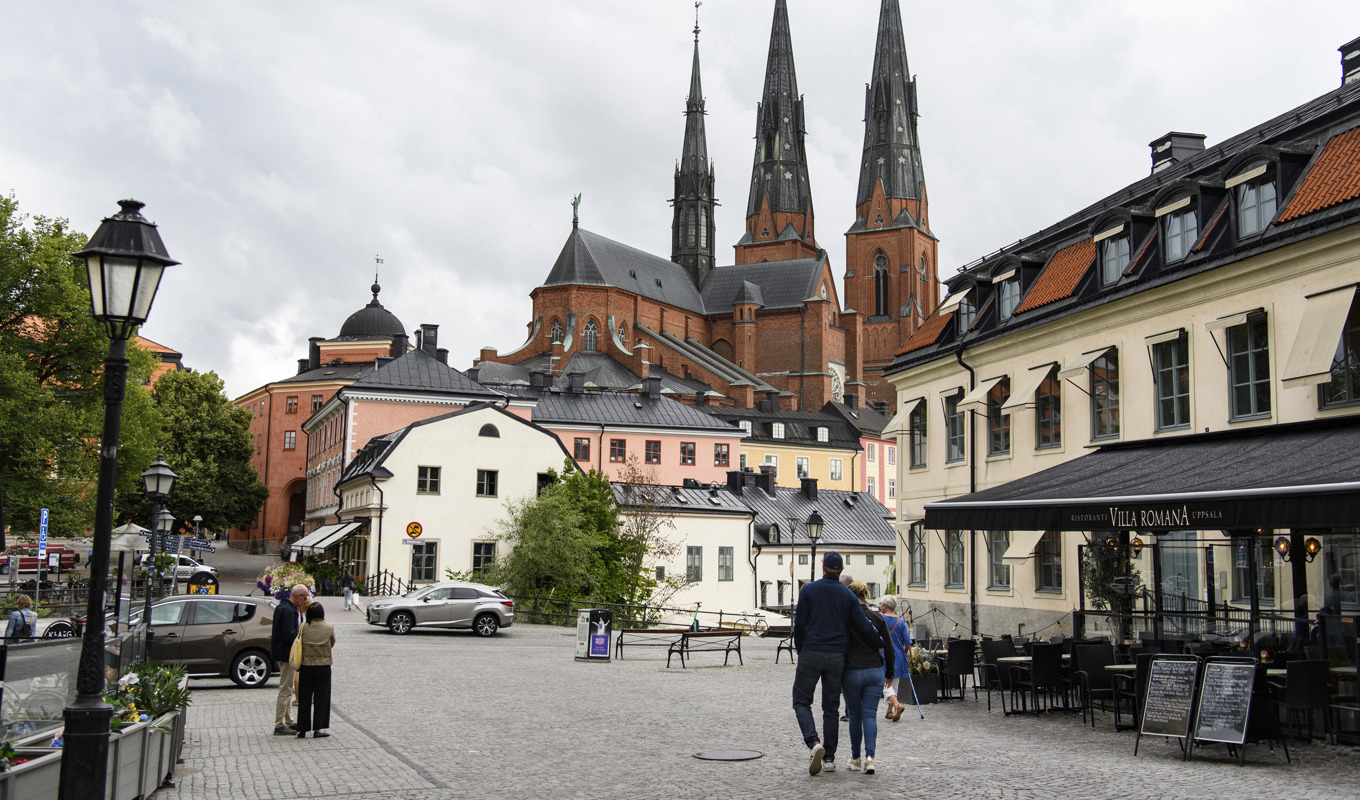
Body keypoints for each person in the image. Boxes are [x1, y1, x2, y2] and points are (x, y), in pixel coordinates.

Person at [792, 551, 882, 776]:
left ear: (823, 568)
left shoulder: (808, 590)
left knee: (801, 701)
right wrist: (879, 642)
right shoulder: (848, 595)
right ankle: (830, 759)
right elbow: (863, 625)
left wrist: (801, 648)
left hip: (811, 651)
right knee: (831, 708)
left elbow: (799, 624)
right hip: (836, 656)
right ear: (841, 570)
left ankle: (814, 743)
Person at [843, 581, 893, 774]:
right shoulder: (877, 617)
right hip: (874, 670)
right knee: (870, 715)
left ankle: (856, 758)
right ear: (866, 595)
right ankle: (870, 758)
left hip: (852, 670)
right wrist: (889, 673)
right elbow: (888, 646)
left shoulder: (846, 617)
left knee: (855, 716)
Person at [270, 584, 310, 735]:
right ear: (298, 596)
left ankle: (289, 721)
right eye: (304, 598)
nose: (305, 601)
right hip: (287, 654)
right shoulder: (290, 611)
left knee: (287, 687)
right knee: (286, 689)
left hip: (279, 652)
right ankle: (279, 724)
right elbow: (289, 635)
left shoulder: (282, 607)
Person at [295, 603, 335, 738]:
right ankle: (318, 728)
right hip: (323, 666)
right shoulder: (329, 627)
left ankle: (302, 728)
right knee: (322, 698)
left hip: (306, 665)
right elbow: (332, 642)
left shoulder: (304, 627)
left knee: (304, 697)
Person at [878, 595, 911, 720]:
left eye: (881, 605)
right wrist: (905, 652)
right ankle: (889, 711)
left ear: (885, 606)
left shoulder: (880, 619)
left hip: (884, 654)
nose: (880, 607)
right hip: (898, 655)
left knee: (885, 684)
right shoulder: (900, 622)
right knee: (894, 684)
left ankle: (897, 705)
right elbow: (907, 642)